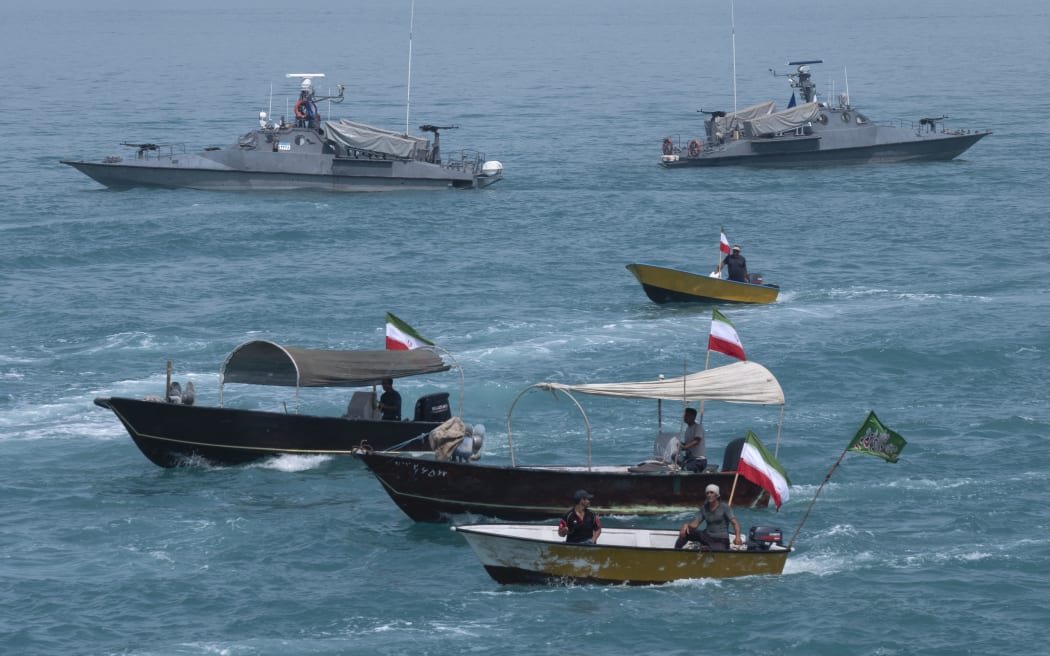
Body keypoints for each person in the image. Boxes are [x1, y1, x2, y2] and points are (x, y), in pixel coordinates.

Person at [674, 484, 744, 550]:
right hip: (707, 536)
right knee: (686, 532)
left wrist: (738, 537)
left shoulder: (725, 507)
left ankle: (708, 548)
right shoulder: (704, 508)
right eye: (707, 493)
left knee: (716, 551)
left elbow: (735, 523)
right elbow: (695, 524)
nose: (709, 495)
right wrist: (686, 525)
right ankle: (676, 551)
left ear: (717, 495)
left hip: (721, 539)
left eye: (711, 492)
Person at [680, 408, 707, 472]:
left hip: (699, 460)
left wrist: (684, 447)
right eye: (684, 415)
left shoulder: (698, 427)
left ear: (693, 417)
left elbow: (696, 441)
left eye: (687, 415)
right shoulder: (688, 429)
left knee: (685, 469)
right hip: (690, 459)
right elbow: (688, 444)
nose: (684, 417)